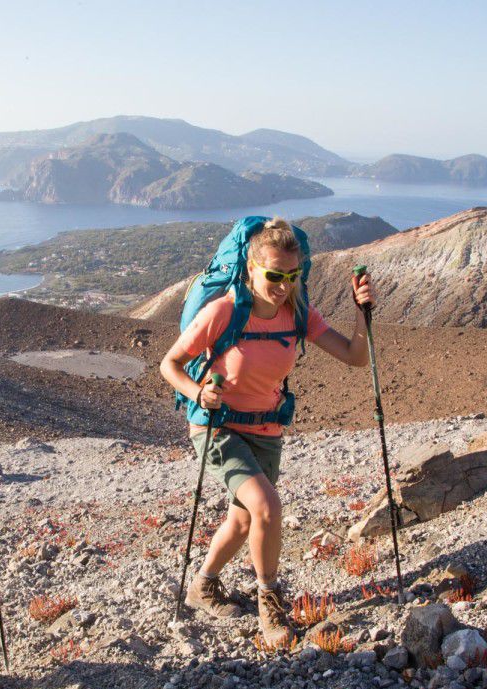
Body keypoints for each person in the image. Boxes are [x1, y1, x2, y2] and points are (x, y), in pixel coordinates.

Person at [160, 217, 374, 646]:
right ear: (251, 269)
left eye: (293, 276)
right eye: (275, 275)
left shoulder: (297, 313)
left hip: (267, 428)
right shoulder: (223, 312)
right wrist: (199, 393)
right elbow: (170, 364)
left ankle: (203, 586)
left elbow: (355, 357)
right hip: (217, 427)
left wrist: (361, 312)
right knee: (267, 506)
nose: (283, 285)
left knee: (244, 519)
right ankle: (270, 605)